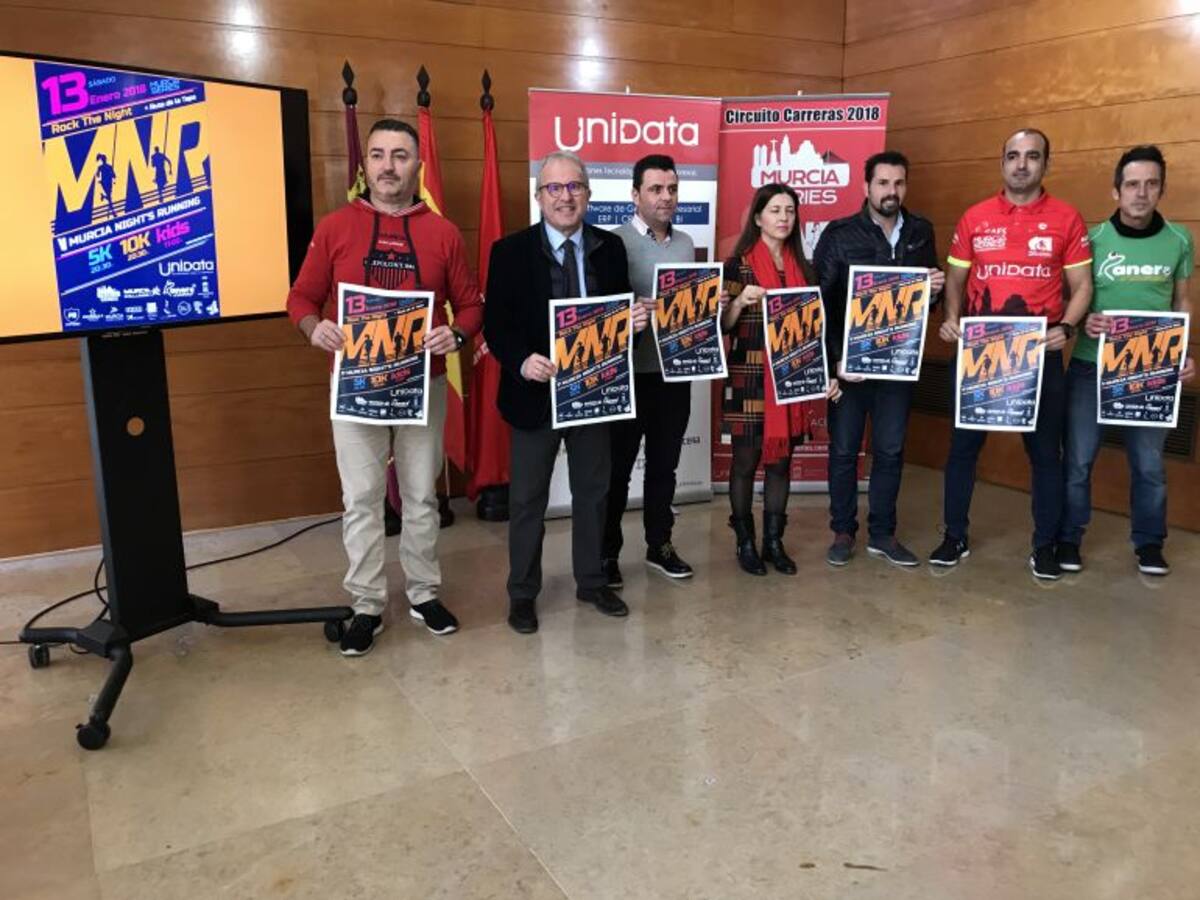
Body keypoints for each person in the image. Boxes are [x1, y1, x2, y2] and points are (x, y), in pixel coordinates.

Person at [286, 118, 482, 655]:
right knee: (362, 500)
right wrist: (314, 327)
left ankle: (424, 593)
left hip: (423, 386)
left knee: (420, 496)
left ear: (417, 165)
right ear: (365, 164)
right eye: (378, 155)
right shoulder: (335, 227)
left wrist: (456, 334)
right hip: (355, 388)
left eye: (400, 155)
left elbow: (470, 304)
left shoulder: (443, 233)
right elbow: (300, 298)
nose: (388, 166)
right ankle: (366, 604)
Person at [484, 150, 649, 634]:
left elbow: (617, 320)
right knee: (528, 500)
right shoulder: (509, 251)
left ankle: (592, 581)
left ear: (588, 194)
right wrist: (521, 361)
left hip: (593, 393)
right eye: (554, 188)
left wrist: (634, 322)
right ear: (539, 197)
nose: (565, 196)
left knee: (594, 492)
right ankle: (522, 594)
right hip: (534, 394)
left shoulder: (609, 248)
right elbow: (496, 325)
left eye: (574, 186)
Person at [931, 128, 1092, 580]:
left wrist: (1066, 327)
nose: (1022, 165)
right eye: (1013, 156)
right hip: (979, 353)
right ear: (1002, 163)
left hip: (1038, 355)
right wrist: (952, 318)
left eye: (1032, 156)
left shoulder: (1067, 218)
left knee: (1045, 454)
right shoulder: (975, 217)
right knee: (963, 449)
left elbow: (1082, 287)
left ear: (1046, 163)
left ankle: (1045, 545)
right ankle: (954, 536)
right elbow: (955, 280)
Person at [1059, 145, 1194, 576]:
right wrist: (1084, 321)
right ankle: (1069, 538)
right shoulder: (1092, 240)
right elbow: (1068, 296)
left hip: (1152, 370)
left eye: (1151, 184)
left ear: (1162, 189)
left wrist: (1183, 351)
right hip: (1090, 366)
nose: (1141, 193)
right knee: (1078, 460)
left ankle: (1149, 543)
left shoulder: (1179, 240)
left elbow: (1182, 301)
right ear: (1116, 191)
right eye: (1132, 184)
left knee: (1149, 464)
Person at [813, 150, 945, 568]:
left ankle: (883, 534)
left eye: (899, 183)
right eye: (883, 183)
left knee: (890, 450)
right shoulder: (839, 234)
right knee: (844, 451)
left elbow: (927, 302)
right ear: (866, 186)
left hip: (897, 366)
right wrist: (834, 362)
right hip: (849, 368)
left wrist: (935, 290)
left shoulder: (921, 231)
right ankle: (842, 531)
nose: (892, 191)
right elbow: (820, 303)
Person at [721, 182, 842, 576]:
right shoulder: (737, 265)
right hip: (749, 375)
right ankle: (744, 541)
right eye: (775, 210)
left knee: (781, 463)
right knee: (745, 462)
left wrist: (825, 372)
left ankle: (773, 542)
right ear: (758, 218)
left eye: (790, 210)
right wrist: (739, 302)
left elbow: (814, 329)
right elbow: (722, 325)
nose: (784, 218)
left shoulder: (805, 268)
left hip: (791, 378)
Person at [603, 154, 712, 588]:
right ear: (635, 195)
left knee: (664, 466)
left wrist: (708, 304)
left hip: (673, 374)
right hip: (628, 376)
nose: (666, 197)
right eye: (655, 189)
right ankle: (607, 553)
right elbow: (601, 311)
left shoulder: (685, 242)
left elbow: (688, 307)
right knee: (617, 470)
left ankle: (659, 545)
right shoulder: (613, 243)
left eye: (672, 189)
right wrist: (630, 311)